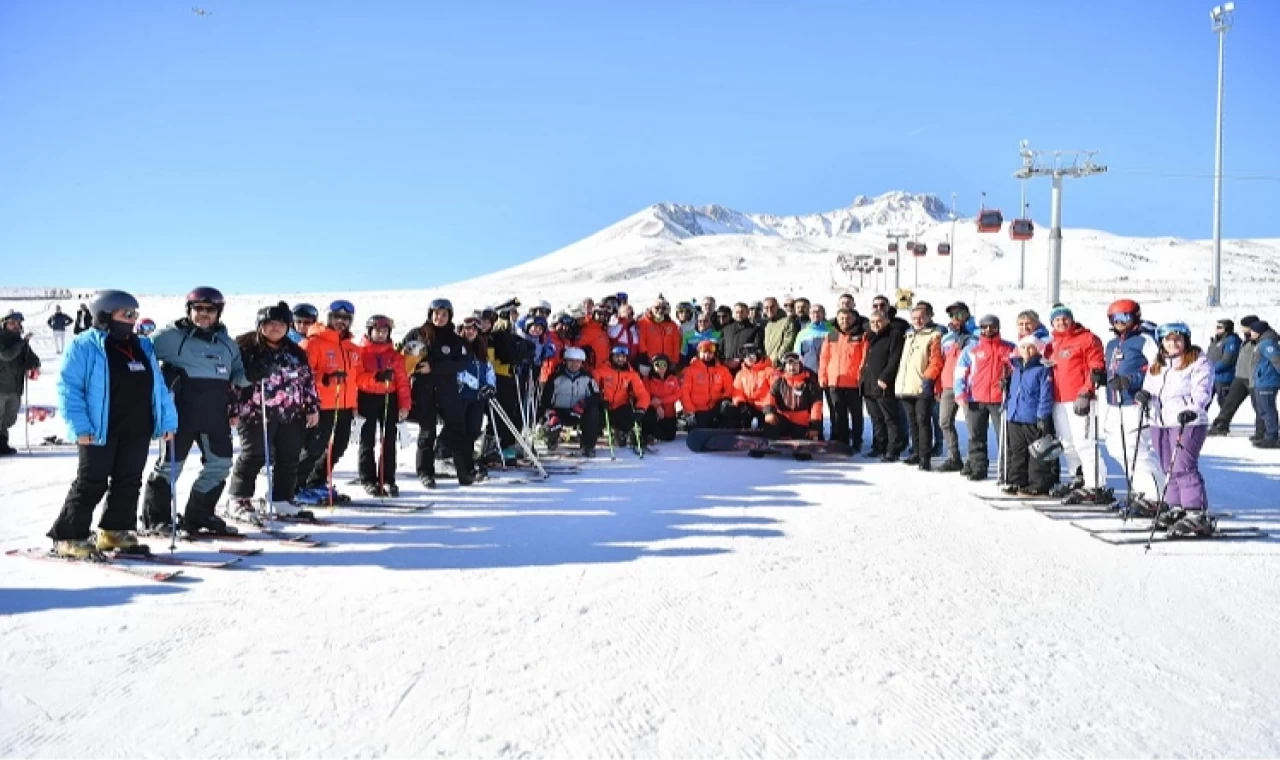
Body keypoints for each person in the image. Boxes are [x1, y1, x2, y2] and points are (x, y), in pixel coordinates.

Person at [47, 290, 177, 558]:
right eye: (125, 314)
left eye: (134, 315)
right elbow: (69, 388)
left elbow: (159, 387)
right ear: (105, 315)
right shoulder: (85, 344)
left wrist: (167, 419)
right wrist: (79, 427)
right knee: (91, 481)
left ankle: (116, 531)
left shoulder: (142, 346)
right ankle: (68, 536)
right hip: (99, 429)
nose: (131, 320)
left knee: (129, 481)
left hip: (137, 426)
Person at [142, 286, 248, 535]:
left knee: (220, 465)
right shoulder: (169, 337)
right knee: (169, 466)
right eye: (197, 308)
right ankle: (156, 519)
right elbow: (140, 356)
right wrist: (162, 378)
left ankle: (200, 515)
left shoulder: (228, 344)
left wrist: (254, 373)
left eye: (209, 309)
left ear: (218, 312)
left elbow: (238, 378)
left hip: (214, 414)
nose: (203, 314)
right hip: (180, 415)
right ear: (188, 310)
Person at [225, 302, 320, 521]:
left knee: (289, 457)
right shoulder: (245, 348)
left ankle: (281, 499)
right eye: (269, 323)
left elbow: (307, 380)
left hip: (291, 413)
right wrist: (232, 409)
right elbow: (231, 383)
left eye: (280, 323)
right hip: (255, 412)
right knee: (254, 455)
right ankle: (239, 498)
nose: (275, 328)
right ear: (260, 325)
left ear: (288, 326)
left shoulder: (296, 352)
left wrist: (312, 406)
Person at [1135, 322, 1214, 534]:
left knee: (1183, 466)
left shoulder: (1198, 362)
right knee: (1168, 467)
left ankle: (1196, 512)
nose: (1173, 344)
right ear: (1162, 342)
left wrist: (1194, 408)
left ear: (1186, 340)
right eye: (1168, 340)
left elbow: (1203, 389)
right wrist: (1143, 396)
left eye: (1177, 339)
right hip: (1160, 421)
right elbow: (1149, 388)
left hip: (1187, 421)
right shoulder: (1158, 364)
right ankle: (1176, 506)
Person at [400, 298, 476, 487]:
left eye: (444, 314)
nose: (440, 318)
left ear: (449, 316)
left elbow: (461, 363)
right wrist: (413, 363)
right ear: (430, 314)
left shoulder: (455, 339)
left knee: (458, 431)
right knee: (427, 433)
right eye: (436, 314)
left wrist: (433, 367)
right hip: (424, 390)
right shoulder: (417, 334)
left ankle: (464, 472)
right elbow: (401, 357)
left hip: (448, 392)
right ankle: (425, 472)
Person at [296, 299, 364, 503]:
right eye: (337, 317)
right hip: (320, 406)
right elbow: (302, 375)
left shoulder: (352, 347)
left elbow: (357, 378)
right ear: (328, 318)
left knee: (338, 447)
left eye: (345, 318)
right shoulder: (313, 342)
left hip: (343, 406)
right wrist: (326, 379)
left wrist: (357, 402)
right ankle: (295, 486)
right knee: (314, 448)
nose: (341, 321)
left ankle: (316, 482)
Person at [1101, 299, 1165, 511]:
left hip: (1135, 402)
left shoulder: (1144, 340)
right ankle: (1140, 489)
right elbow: (1113, 368)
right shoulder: (1112, 344)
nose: (1119, 322)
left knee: (1137, 449)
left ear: (1135, 317)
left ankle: (1155, 496)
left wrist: (1133, 380)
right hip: (1115, 402)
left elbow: (1159, 368)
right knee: (1116, 448)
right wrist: (1102, 376)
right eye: (1115, 318)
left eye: (1124, 318)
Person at [1043, 305, 1108, 502]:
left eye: (1065, 318)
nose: (1061, 323)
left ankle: (1096, 485)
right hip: (1059, 400)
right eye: (1057, 320)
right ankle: (1078, 477)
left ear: (1071, 319)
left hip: (1080, 399)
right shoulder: (1052, 344)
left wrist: (1086, 391)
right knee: (1067, 443)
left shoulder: (1087, 339)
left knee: (1084, 442)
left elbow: (1096, 366)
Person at [355, 314, 411, 496]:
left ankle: (387, 478)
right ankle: (368, 478)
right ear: (370, 331)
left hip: (389, 397)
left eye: (384, 331)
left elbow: (402, 381)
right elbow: (358, 378)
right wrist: (376, 378)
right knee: (367, 440)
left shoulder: (395, 356)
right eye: (377, 331)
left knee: (388, 440)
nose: (381, 334)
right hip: (367, 398)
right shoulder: (360, 352)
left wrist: (404, 405)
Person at [954, 314, 1014, 482]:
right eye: (985, 327)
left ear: (998, 328)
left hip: (999, 399)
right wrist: (960, 392)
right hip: (975, 398)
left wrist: (1009, 382)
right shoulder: (972, 349)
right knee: (976, 436)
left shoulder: (1008, 348)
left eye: (992, 327)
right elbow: (960, 372)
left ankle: (1006, 470)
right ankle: (978, 467)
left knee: (1003, 437)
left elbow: (1016, 371)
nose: (989, 330)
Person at [1002, 335, 1056, 496]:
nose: (1027, 350)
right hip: (1015, 415)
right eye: (1024, 347)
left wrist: (1042, 415)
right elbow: (1014, 391)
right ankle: (1016, 480)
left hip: (1032, 416)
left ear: (1037, 348)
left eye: (1031, 347)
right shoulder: (1016, 367)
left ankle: (1037, 484)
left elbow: (1046, 394)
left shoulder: (1042, 368)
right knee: (1017, 451)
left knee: (1036, 453)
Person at [894, 304, 943, 470]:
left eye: (922, 317)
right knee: (912, 422)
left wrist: (928, 379)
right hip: (906, 385)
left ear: (929, 317)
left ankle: (925, 456)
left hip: (922, 385)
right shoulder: (909, 335)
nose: (918, 321)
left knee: (923, 422)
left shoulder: (934, 335)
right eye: (914, 318)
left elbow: (936, 360)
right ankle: (915, 452)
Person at [454, 316, 498, 481]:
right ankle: (462, 469)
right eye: (467, 329)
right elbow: (457, 371)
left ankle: (469, 464)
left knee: (473, 431)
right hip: (461, 396)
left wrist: (490, 386)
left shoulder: (481, 348)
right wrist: (477, 385)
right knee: (461, 432)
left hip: (477, 398)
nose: (470, 332)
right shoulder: (458, 347)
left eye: (474, 329)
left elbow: (488, 369)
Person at [539, 346, 603, 457]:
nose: (574, 364)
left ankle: (588, 446)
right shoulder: (555, 377)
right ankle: (552, 439)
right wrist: (550, 412)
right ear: (565, 361)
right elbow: (546, 399)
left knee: (594, 412)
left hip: (579, 411)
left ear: (582, 363)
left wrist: (584, 403)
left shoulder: (587, 378)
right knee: (551, 420)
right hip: (560, 411)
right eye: (571, 361)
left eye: (578, 362)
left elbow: (597, 396)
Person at [819, 308, 868, 455]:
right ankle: (841, 441)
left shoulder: (860, 336)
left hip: (853, 382)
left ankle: (857, 441)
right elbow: (824, 358)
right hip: (835, 381)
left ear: (854, 319)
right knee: (838, 414)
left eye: (848, 318)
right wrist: (822, 376)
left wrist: (861, 376)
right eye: (841, 318)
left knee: (856, 414)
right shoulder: (832, 335)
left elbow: (865, 358)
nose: (844, 321)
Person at [860, 311, 906, 461]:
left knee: (890, 418)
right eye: (872, 322)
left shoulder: (893, 335)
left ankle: (893, 449)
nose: (875, 324)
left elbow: (895, 358)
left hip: (884, 384)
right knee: (876, 418)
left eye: (879, 321)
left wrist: (885, 378)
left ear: (887, 321)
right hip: (868, 382)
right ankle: (879, 445)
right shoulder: (869, 336)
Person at [938, 302, 977, 472]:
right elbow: (942, 362)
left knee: (972, 426)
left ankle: (973, 460)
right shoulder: (947, 337)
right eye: (953, 315)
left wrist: (966, 333)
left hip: (969, 387)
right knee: (944, 422)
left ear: (967, 314)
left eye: (959, 314)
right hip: (948, 385)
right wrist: (937, 385)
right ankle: (954, 457)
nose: (956, 318)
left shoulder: (977, 333)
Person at [1210, 315, 1260, 437]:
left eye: (1244, 327)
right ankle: (1220, 425)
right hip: (1240, 377)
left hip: (1253, 378)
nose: (1242, 329)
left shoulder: (1260, 340)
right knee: (1229, 404)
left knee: (1260, 406)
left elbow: (1228, 359)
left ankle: (1264, 430)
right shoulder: (1246, 340)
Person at [1, 311, 41, 455]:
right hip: (1, 386)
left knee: (8, 418)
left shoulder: (20, 342)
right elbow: (6, 355)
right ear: (4, 324)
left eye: (18, 323)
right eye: (12, 323)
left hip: (15, 387)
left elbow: (32, 357)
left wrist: (34, 365)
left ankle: (2, 444)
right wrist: (22, 342)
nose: (16, 326)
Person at [596, 345, 652, 447]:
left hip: (620, 407)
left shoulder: (631, 374)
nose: (620, 359)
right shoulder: (601, 370)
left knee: (629, 415)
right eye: (617, 356)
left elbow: (642, 394)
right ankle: (588, 439)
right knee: (593, 417)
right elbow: (592, 388)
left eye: (623, 357)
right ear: (612, 356)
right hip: (604, 407)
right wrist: (599, 400)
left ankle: (622, 432)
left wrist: (641, 408)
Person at [763, 352, 823, 441]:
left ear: (800, 365)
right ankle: (773, 443)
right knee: (769, 422)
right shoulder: (779, 382)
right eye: (789, 365)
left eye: (795, 364)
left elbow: (816, 406)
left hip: (802, 424)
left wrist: (814, 426)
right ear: (785, 366)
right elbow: (770, 398)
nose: (792, 368)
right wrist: (769, 412)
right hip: (784, 420)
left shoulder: (810, 383)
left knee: (804, 450)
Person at [680, 340, 734, 428]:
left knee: (730, 410)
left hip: (716, 408)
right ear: (698, 353)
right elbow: (684, 392)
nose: (707, 355)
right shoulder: (689, 370)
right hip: (697, 410)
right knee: (698, 432)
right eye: (704, 352)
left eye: (710, 353)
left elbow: (730, 386)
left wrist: (726, 399)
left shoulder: (722, 370)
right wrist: (690, 410)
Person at [1205, 319, 1242, 435]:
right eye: (1217, 327)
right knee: (1204, 400)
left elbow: (1227, 360)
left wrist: (1212, 368)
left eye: (1220, 327)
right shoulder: (1216, 340)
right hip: (1211, 377)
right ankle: (1197, 422)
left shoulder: (1232, 341)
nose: (1217, 329)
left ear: (1227, 328)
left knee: (1224, 403)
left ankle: (1222, 425)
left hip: (1224, 378)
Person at [730, 344, 777, 431]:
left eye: (751, 354)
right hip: (748, 407)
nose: (749, 358)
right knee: (734, 413)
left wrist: (768, 409)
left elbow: (774, 391)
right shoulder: (740, 374)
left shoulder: (769, 371)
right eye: (746, 356)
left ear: (757, 354)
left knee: (769, 425)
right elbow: (737, 391)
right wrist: (741, 404)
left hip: (766, 408)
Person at [1252, 320, 1280, 448]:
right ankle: (1267, 435)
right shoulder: (1261, 342)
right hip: (1262, 381)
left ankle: (1272, 437)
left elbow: (1276, 360)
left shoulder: (1267, 343)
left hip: (1268, 381)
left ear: (1259, 332)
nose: (1251, 333)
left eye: (1253, 331)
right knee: (1263, 409)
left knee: (1268, 409)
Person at [636, 298, 682, 378]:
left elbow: (676, 343)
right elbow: (641, 341)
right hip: (650, 361)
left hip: (667, 362)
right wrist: (646, 358)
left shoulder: (671, 324)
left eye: (663, 308)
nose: (660, 310)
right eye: (657, 308)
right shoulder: (644, 322)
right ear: (651, 308)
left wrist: (675, 360)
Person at [641, 354, 682, 442]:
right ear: (653, 366)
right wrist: (657, 406)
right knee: (648, 412)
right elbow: (645, 396)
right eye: (657, 364)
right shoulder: (647, 379)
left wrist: (661, 401)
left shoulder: (673, 379)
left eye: (664, 364)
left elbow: (678, 394)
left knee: (669, 437)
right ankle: (648, 434)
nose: (661, 367)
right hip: (654, 411)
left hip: (668, 412)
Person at [720, 302, 763, 373]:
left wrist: (740, 360)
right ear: (733, 314)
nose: (739, 314)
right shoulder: (726, 329)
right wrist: (724, 360)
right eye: (737, 312)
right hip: (726, 369)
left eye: (742, 312)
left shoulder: (755, 330)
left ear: (747, 313)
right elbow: (721, 348)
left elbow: (757, 349)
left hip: (745, 369)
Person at [794, 304, 832, 374]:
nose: (816, 314)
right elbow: (797, 355)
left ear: (824, 314)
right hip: (809, 371)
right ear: (809, 315)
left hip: (828, 371)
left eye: (819, 312)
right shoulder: (803, 333)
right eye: (813, 312)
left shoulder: (831, 330)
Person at [763, 297, 799, 365]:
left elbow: (788, 341)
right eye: (766, 308)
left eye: (772, 307)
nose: (769, 310)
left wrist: (778, 358)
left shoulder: (787, 321)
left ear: (777, 307)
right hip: (768, 363)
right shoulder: (768, 324)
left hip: (779, 363)